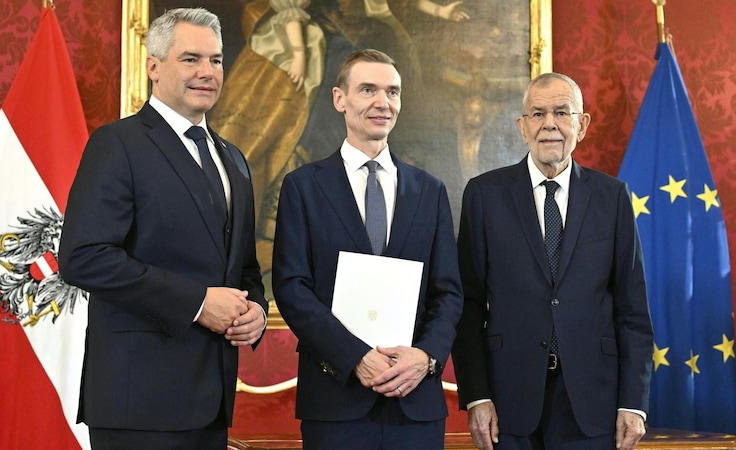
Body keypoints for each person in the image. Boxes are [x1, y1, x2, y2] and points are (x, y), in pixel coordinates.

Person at [58, 8, 268, 449]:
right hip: (138, 401)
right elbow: (83, 257)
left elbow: (243, 268)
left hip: (212, 400)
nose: (207, 72)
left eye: (216, 60)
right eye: (191, 59)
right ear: (154, 67)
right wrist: (197, 303)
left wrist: (256, 314)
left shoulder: (232, 158)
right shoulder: (117, 143)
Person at [451, 72, 654, 450]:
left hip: (593, 403)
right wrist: (477, 396)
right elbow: (468, 306)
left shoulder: (612, 198)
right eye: (538, 114)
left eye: (562, 113)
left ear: (582, 125)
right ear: (522, 126)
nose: (550, 125)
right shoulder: (484, 196)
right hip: (508, 402)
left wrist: (633, 402)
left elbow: (633, 311)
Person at [272, 48, 463, 449]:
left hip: (415, 406)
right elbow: (291, 288)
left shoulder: (430, 190)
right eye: (368, 90)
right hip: (335, 403)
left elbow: (448, 292)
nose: (383, 102)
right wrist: (355, 356)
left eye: (392, 92)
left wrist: (426, 358)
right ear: (340, 99)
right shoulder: (303, 186)